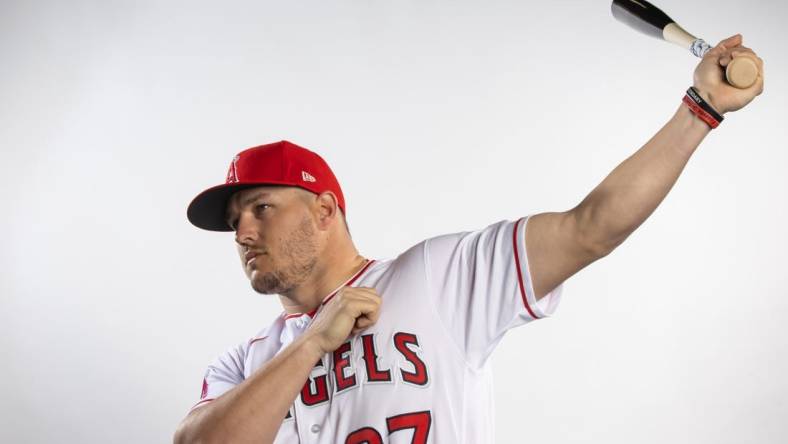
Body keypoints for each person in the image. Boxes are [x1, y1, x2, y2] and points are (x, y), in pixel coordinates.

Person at [174, 35, 763, 444]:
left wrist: (701, 108)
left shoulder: (437, 277)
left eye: (261, 208)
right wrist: (308, 347)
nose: (243, 232)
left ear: (325, 210)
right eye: (234, 223)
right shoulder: (249, 361)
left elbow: (592, 227)